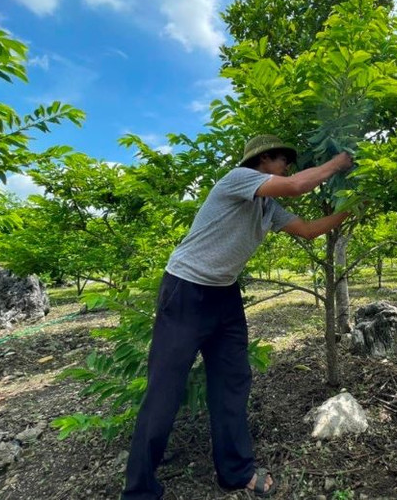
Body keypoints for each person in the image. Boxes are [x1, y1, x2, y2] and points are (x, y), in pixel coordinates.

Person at [121, 134, 353, 499]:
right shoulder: (237, 179)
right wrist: (341, 162)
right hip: (186, 290)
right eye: (283, 161)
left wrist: (351, 207)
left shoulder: (267, 207)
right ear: (263, 162)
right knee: (165, 389)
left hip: (224, 295)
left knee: (232, 382)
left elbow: (308, 231)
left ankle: (235, 471)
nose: (288, 168)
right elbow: (297, 186)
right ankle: (140, 490)